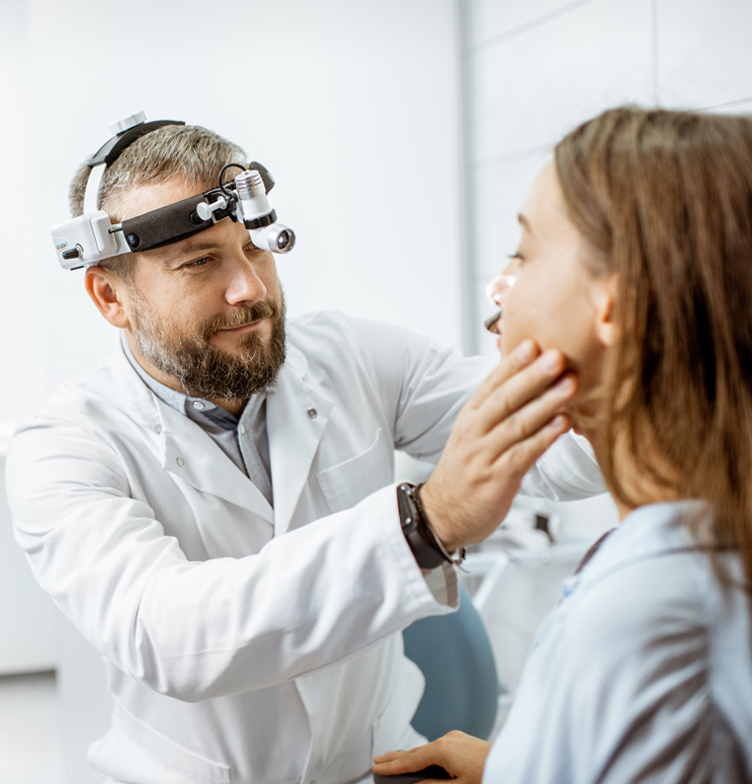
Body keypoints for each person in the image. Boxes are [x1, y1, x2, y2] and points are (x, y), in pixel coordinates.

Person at [6, 119, 603, 784]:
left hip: (382, 765)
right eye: (200, 261)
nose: (250, 288)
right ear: (110, 296)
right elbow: (171, 638)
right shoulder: (61, 450)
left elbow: (550, 448)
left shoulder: (354, 357)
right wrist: (424, 525)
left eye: (255, 248)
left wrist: (615, 379)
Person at [373, 106, 752, 783]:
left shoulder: (652, 613)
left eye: (522, 254)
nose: (499, 291)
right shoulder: (696, 551)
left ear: (619, 305)